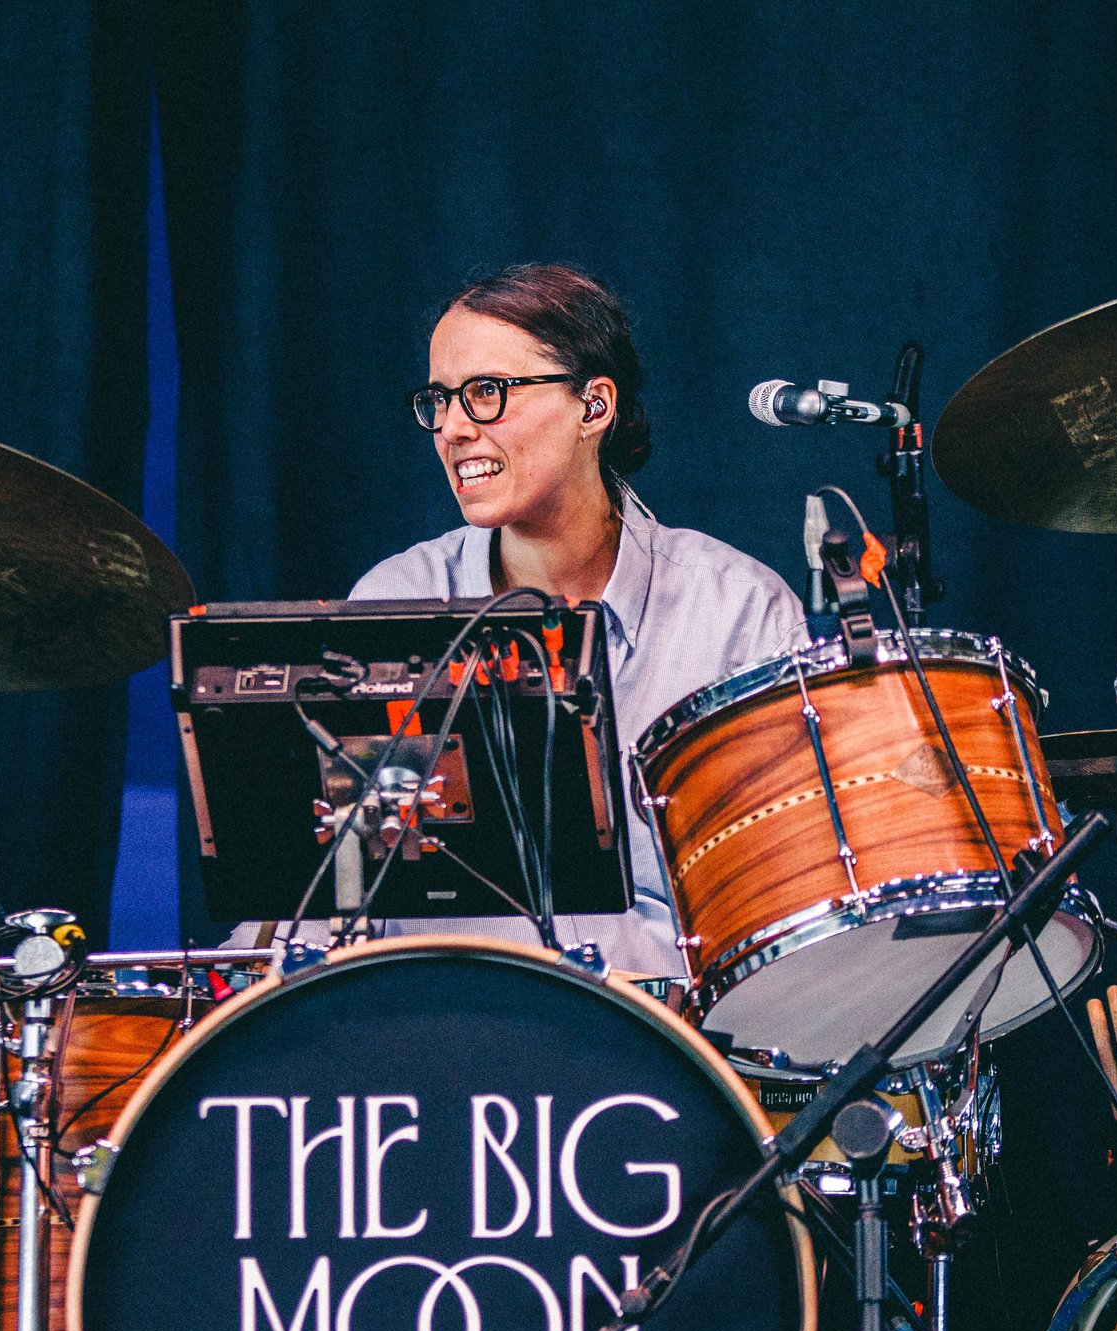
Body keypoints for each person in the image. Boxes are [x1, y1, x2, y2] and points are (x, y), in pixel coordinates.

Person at [310, 261, 807, 977]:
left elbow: (777, 908)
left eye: (486, 393)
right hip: (434, 1021)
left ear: (593, 407)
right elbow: (337, 887)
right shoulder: (395, 597)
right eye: (438, 400)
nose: (451, 428)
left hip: (656, 1033)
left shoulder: (738, 613)